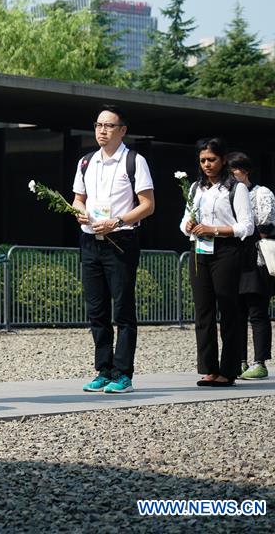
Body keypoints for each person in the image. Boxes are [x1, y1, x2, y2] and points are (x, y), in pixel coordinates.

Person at [72, 106, 155, 394]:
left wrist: (117, 220)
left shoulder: (134, 161)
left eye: (109, 126)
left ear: (122, 130)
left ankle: (123, 374)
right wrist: (80, 213)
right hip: (90, 240)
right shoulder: (86, 162)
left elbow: (147, 205)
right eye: (98, 125)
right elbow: (77, 199)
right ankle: (103, 370)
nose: (102, 131)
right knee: (96, 310)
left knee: (122, 309)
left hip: (121, 240)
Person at [181, 138, 254, 387]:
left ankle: (229, 369)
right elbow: (183, 222)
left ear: (223, 159)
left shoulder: (236, 188)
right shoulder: (195, 189)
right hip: (199, 250)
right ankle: (209, 368)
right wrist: (188, 225)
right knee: (203, 311)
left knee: (229, 309)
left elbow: (246, 226)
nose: (206, 165)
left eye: (211, 159)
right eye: (202, 160)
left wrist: (216, 229)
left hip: (226, 251)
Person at [228, 151, 275, 380]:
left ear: (245, 171)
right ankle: (240, 360)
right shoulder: (227, 194)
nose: (232, 178)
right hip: (233, 261)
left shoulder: (261, 193)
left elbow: (270, 224)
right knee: (236, 313)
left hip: (257, 260)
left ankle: (259, 361)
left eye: (234, 172)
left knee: (257, 313)